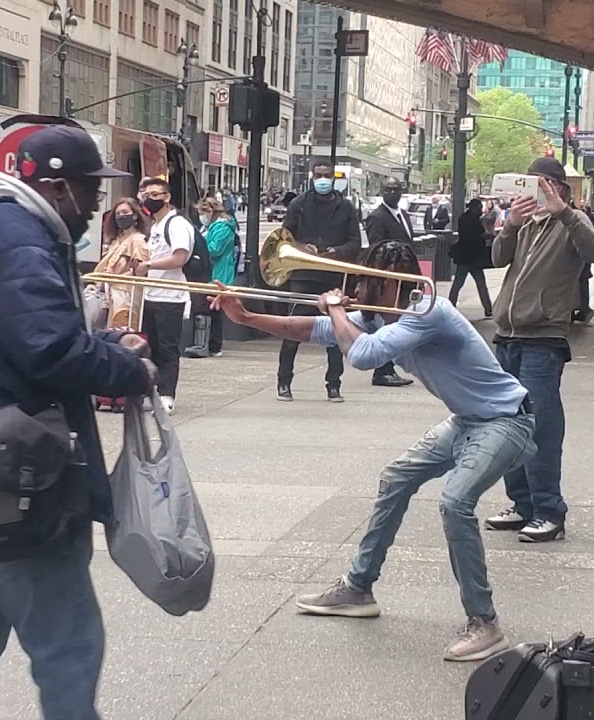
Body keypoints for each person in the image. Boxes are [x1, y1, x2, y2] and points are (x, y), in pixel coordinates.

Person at [0, 125, 154, 720]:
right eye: (88, 192)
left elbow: (25, 336)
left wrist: (99, 341)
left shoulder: (1, 224)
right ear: (55, 186)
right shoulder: (19, 234)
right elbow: (46, 349)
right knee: (70, 640)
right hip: (8, 466)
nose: (96, 205)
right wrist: (130, 368)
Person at [212, 240, 536, 661]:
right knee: (396, 477)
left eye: (366, 280)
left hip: (505, 420)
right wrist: (247, 315)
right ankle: (358, 587)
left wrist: (334, 308)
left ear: (386, 284)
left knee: (456, 502)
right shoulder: (379, 315)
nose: (356, 287)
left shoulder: (425, 312)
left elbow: (362, 356)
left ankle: (484, 623)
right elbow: (312, 330)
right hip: (468, 420)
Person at [484, 157, 594, 543]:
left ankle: (549, 510)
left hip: (543, 339)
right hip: (508, 336)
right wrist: (511, 224)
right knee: (509, 425)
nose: (533, 193)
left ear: (558, 187)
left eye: (541, 185)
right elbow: (498, 258)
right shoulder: (525, 224)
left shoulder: (571, 222)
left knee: (541, 426)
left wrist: (564, 212)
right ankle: (522, 505)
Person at [278, 160, 362, 402]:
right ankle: (284, 381)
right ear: (312, 176)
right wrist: (302, 247)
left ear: (333, 178)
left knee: (336, 332)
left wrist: (337, 251)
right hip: (304, 274)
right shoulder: (299, 204)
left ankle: (334, 384)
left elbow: (354, 241)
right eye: (319, 175)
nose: (323, 179)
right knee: (292, 328)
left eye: (327, 175)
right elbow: (284, 238)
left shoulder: (345, 206)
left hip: (332, 275)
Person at [134, 176, 194, 415]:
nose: (149, 199)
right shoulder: (155, 225)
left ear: (167, 197)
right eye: (146, 195)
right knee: (152, 347)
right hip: (151, 294)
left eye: (155, 195)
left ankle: (167, 394)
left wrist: (149, 265)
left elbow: (179, 258)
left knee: (168, 348)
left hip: (171, 297)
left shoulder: (177, 224)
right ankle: (153, 391)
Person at [362, 177, 416, 386]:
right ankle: (382, 370)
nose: (392, 193)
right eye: (388, 190)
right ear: (382, 192)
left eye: (396, 189)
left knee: (397, 323)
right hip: (388, 280)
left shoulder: (402, 214)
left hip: (404, 277)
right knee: (386, 325)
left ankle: (389, 367)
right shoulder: (377, 217)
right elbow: (378, 248)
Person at [184, 197, 238, 358]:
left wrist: (198, 246)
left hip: (217, 273)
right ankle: (210, 344)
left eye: (202, 212)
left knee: (212, 310)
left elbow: (214, 249)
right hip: (213, 272)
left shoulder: (221, 227)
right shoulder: (213, 227)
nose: (201, 216)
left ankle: (213, 344)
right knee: (210, 309)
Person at [91, 197, 152, 329]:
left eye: (125, 212)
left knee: (124, 331)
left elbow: (140, 272)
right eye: (118, 214)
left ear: (135, 215)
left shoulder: (138, 240)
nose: (121, 216)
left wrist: (116, 276)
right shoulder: (117, 240)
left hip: (127, 295)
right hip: (111, 294)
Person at [448, 198, 494, 317]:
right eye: (479, 208)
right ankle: (488, 308)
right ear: (475, 208)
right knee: (481, 284)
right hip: (474, 257)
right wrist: (489, 236)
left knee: (458, 283)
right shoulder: (474, 221)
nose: (481, 210)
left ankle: (450, 305)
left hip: (464, 256)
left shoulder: (463, 218)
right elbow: (479, 235)